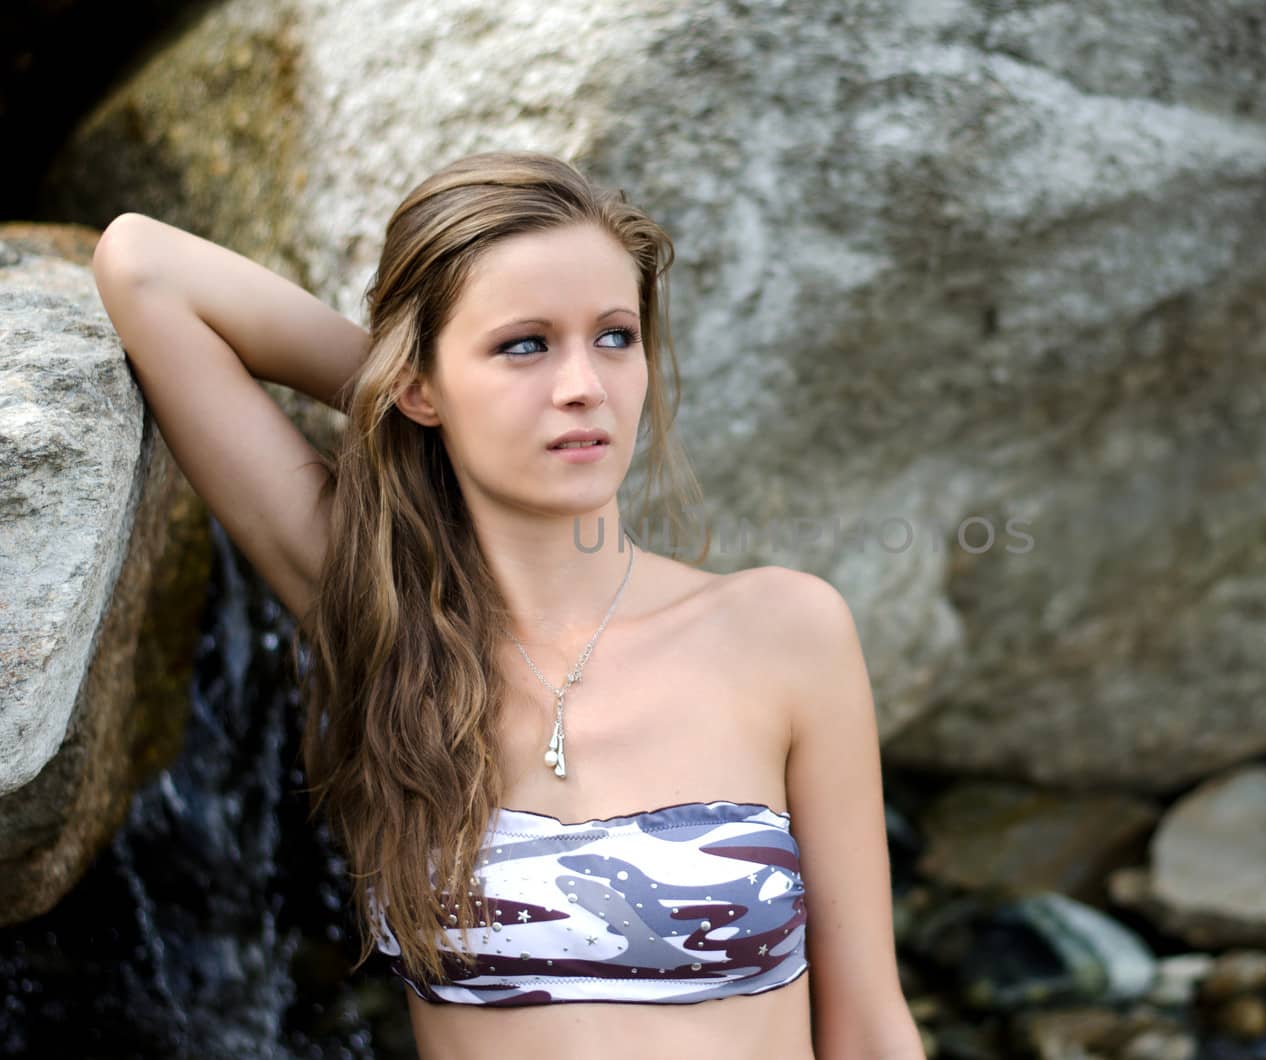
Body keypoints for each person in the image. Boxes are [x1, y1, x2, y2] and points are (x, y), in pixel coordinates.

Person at [91, 150, 924, 1060]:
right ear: (417, 382)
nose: (584, 386)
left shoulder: (783, 632)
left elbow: (871, 1027)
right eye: (524, 344)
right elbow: (145, 269)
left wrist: (462, 388)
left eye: (614, 336)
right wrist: (408, 400)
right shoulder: (387, 624)